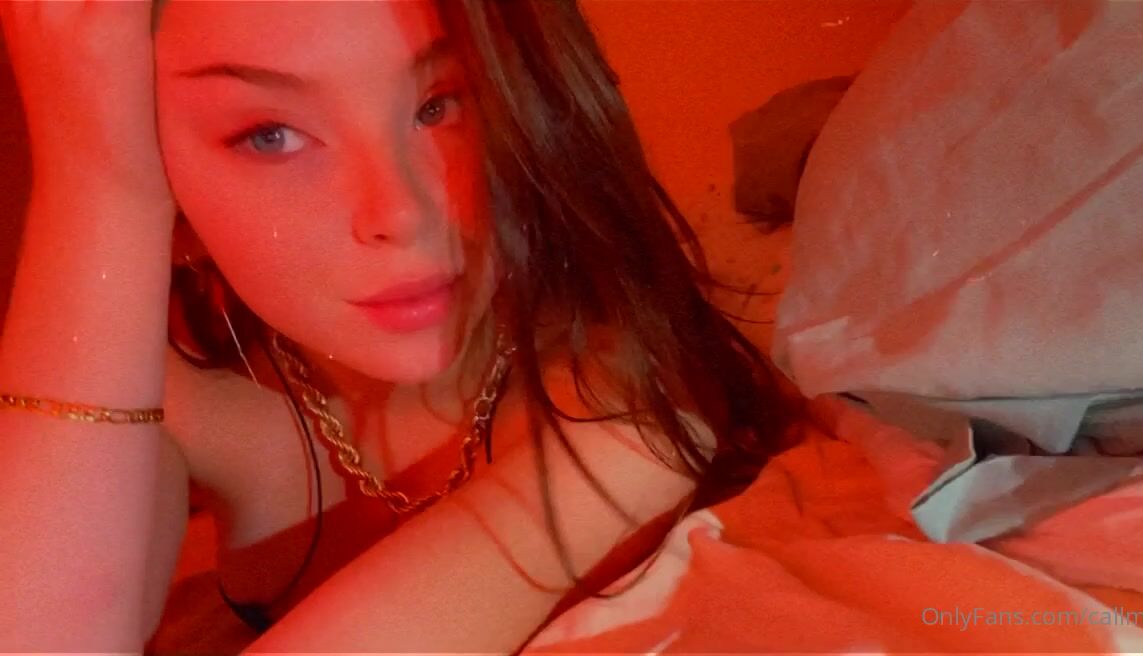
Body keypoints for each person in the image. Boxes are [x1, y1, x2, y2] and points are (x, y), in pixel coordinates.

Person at [0, 0, 800, 651]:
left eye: (439, 104)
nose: (402, 212)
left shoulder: (619, 407)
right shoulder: (186, 376)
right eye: (270, 135)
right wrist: (96, 188)